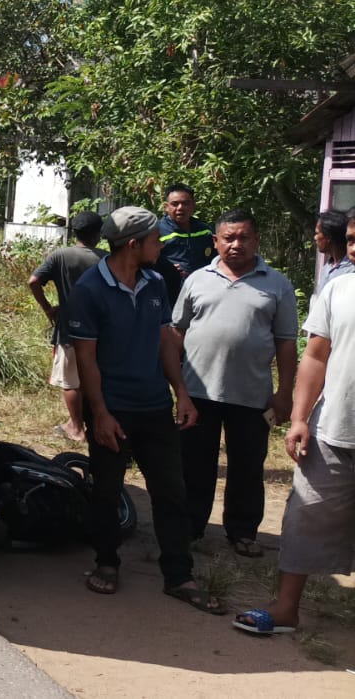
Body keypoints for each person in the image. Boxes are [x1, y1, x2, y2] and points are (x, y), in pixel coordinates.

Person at [64, 206, 222, 613]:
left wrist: (182, 393)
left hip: (154, 406)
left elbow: (165, 341)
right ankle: (107, 561)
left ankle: (179, 574)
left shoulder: (155, 282)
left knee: (171, 491)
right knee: (107, 489)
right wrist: (99, 413)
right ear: (133, 245)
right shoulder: (90, 290)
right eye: (155, 240)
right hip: (113, 408)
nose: (161, 246)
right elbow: (86, 360)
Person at [233, 214, 355, 636]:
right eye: (351, 239)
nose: (353, 248)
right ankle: (286, 609)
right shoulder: (339, 289)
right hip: (333, 430)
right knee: (303, 516)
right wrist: (300, 417)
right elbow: (316, 356)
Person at [172, 209, 298, 558]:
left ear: (256, 240)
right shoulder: (197, 279)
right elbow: (176, 332)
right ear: (215, 241)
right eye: (228, 238)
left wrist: (284, 393)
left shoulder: (277, 284)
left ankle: (242, 532)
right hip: (198, 392)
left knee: (247, 467)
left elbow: (287, 343)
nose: (236, 244)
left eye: (244, 237)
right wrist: (175, 386)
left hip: (252, 395)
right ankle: (190, 528)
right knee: (194, 464)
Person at [29, 210, 106, 442]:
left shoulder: (60, 256)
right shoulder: (105, 259)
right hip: (101, 329)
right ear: (99, 234)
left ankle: (76, 427)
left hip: (69, 327)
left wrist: (48, 308)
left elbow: (34, 281)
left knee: (71, 381)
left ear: (74, 233)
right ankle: (97, 422)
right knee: (96, 377)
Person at [158, 183, 214, 279]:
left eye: (185, 203)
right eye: (175, 204)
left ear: (193, 205)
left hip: (202, 284)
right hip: (170, 286)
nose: (180, 208)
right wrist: (166, 269)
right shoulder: (157, 232)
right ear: (166, 207)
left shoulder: (205, 231)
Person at [313, 209, 351, 291]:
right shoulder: (328, 267)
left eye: (317, 233)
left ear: (328, 237)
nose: (315, 237)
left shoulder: (350, 271)